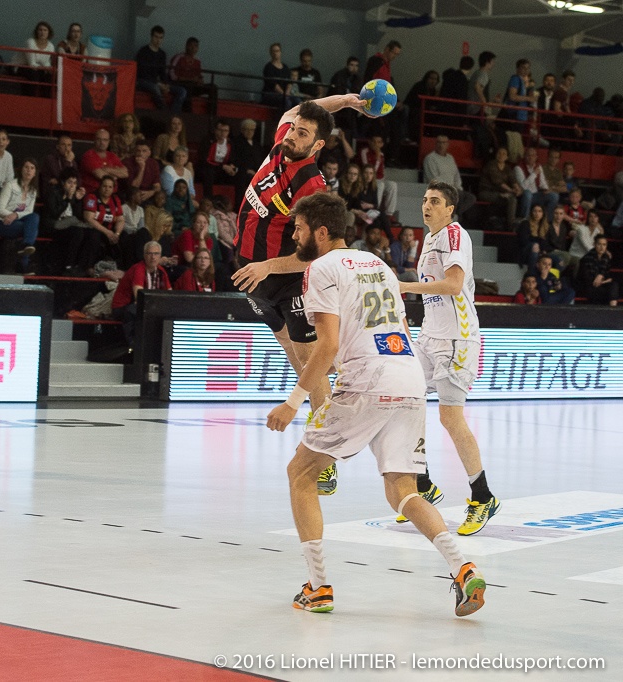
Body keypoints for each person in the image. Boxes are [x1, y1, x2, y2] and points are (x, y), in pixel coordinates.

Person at [268, 190, 485, 618]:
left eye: (299, 228)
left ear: (322, 231)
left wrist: (294, 402)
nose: (294, 235)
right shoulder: (379, 265)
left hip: (366, 379)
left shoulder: (320, 269)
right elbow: (402, 326)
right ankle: (463, 568)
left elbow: (326, 347)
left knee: (300, 473)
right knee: (402, 490)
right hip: (407, 375)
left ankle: (318, 587)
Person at [231, 95, 370, 498]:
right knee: (298, 364)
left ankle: (324, 456)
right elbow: (296, 110)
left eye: (304, 133)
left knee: (312, 365)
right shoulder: (281, 145)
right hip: (252, 277)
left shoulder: (312, 184)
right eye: (294, 129)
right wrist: (344, 101)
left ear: (318, 146)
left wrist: (268, 267)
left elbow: (315, 252)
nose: (294, 135)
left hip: (289, 279)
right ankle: (325, 424)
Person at [398, 182, 499, 535]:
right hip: (430, 336)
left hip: (457, 339)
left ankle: (483, 496)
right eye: (425, 200)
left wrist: (406, 287)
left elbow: (454, 286)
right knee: (404, 402)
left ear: (450, 208)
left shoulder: (455, 236)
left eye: (435, 201)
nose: (426, 205)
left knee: (450, 418)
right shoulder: (429, 238)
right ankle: (422, 486)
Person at [111, 240, 171, 344]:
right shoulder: (138, 269)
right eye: (149, 253)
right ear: (144, 255)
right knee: (135, 310)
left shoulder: (161, 271)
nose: (153, 257)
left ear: (160, 256)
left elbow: (170, 294)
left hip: (146, 305)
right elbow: (139, 297)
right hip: (123, 307)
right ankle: (133, 344)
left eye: (156, 254)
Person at [0, 159, 41, 273]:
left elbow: (29, 212)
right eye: (26, 167)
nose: (29, 171)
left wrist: (16, 215)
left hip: (16, 221)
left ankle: (25, 248)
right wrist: (12, 215)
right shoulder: (10, 185)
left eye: (32, 168)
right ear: (21, 169)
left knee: (34, 217)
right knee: (31, 230)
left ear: (35, 173)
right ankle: (23, 265)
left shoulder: (33, 190)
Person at [45, 168, 98, 275]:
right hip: (55, 225)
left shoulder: (73, 195)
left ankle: (83, 266)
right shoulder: (53, 192)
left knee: (92, 232)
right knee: (78, 230)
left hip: (70, 225)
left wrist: (78, 200)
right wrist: (68, 199)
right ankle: (68, 265)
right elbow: (55, 214)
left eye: (74, 183)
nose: (72, 186)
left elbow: (77, 215)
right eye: (69, 182)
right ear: (63, 182)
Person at [422, 135, 476, 220]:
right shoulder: (430, 158)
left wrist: (458, 187)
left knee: (471, 198)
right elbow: (432, 178)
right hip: (438, 189)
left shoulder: (450, 158)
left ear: (447, 144)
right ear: (435, 144)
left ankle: (455, 213)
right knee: (458, 197)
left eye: (444, 143)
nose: (441, 145)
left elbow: (456, 175)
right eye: (439, 142)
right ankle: (455, 216)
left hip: (453, 189)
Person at [134, 25, 186, 114]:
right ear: (151, 36)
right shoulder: (143, 51)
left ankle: (174, 113)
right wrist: (158, 84)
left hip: (156, 82)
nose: (158, 40)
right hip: (143, 81)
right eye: (156, 37)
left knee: (182, 91)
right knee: (155, 88)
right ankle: (165, 112)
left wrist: (166, 84)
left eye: (161, 38)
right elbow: (142, 72)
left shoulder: (162, 54)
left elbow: (162, 72)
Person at [169, 37, 216, 115]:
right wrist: (189, 79)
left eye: (196, 46)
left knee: (213, 87)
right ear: (186, 46)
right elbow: (172, 74)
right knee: (188, 86)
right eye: (191, 46)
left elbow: (200, 76)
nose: (193, 48)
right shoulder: (179, 57)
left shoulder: (197, 61)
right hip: (181, 85)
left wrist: (200, 81)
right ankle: (188, 114)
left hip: (193, 86)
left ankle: (212, 115)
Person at [478, 147, 522, 228]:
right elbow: (498, 182)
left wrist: (517, 189)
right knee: (511, 198)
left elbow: (513, 180)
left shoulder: (507, 168)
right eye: (499, 153)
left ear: (507, 157)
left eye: (504, 154)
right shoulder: (491, 165)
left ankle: (518, 220)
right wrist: (511, 190)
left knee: (516, 197)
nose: (501, 155)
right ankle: (511, 224)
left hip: (501, 192)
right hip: (486, 192)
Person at [83, 176, 125, 257]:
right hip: (94, 229)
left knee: (125, 236)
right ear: (100, 186)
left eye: (110, 187)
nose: (107, 189)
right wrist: (107, 232)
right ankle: (89, 266)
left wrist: (117, 234)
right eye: (104, 186)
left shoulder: (116, 199)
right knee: (94, 236)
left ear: (113, 189)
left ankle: (124, 266)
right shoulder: (92, 197)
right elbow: (88, 218)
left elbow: (121, 220)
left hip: (110, 230)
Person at [197, 119, 238, 198]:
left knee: (240, 174)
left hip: (222, 170)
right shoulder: (207, 141)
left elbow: (232, 159)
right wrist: (223, 166)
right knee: (208, 172)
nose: (223, 133)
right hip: (208, 168)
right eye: (220, 130)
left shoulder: (230, 143)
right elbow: (204, 160)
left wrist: (232, 166)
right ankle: (208, 200)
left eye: (226, 130)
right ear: (215, 130)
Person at [514, 147, 558, 220]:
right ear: (525, 156)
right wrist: (534, 174)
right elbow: (523, 187)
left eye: (533, 155)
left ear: (536, 157)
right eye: (528, 155)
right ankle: (524, 220)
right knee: (528, 193)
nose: (531, 157)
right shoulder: (518, 168)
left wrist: (546, 189)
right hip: (524, 195)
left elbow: (542, 182)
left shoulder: (538, 166)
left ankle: (548, 221)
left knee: (554, 196)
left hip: (536, 195)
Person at [79, 128, 127, 194]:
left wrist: (108, 170)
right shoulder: (88, 155)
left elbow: (125, 173)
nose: (102, 142)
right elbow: (101, 176)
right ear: (94, 140)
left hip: (112, 195)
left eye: (105, 140)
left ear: (109, 141)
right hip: (93, 194)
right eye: (99, 139)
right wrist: (116, 175)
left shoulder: (112, 155)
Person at [577, 235, 618, 306]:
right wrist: (603, 279)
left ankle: (613, 309)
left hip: (601, 285)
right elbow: (589, 280)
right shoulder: (587, 258)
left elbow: (610, 277)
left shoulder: (606, 258)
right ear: (594, 244)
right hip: (588, 287)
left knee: (614, 285)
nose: (602, 247)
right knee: (610, 291)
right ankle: (613, 311)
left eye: (604, 245)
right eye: (599, 244)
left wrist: (601, 276)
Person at [327, 57, 361, 139]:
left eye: (356, 65)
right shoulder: (339, 76)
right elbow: (337, 92)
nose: (354, 68)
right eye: (352, 65)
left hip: (351, 108)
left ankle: (353, 137)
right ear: (347, 65)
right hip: (338, 104)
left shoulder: (358, 79)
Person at [503, 59, 537, 133]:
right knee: (514, 138)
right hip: (515, 115)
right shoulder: (515, 79)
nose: (526, 70)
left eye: (528, 68)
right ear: (518, 68)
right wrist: (529, 98)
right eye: (523, 68)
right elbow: (512, 96)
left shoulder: (522, 81)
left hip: (520, 115)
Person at [232, 119, 264, 198]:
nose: (250, 132)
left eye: (252, 130)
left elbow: (260, 159)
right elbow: (236, 159)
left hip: (256, 171)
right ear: (242, 130)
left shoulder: (257, 144)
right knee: (242, 178)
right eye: (247, 129)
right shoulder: (237, 142)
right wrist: (247, 170)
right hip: (242, 171)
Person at [404, 70, 439, 142]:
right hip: (413, 108)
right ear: (426, 78)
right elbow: (414, 101)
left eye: (435, 79)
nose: (433, 81)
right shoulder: (419, 86)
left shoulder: (433, 90)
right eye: (431, 78)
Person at [122, 139, 160, 204]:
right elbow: (133, 187)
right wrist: (141, 168)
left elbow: (157, 186)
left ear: (149, 153)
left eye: (144, 151)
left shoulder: (153, 163)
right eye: (138, 151)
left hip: (148, 194)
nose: (140, 154)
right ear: (134, 152)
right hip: (131, 195)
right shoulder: (127, 162)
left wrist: (151, 192)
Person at [262, 43, 298, 111]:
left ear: (280, 52)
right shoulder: (268, 67)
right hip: (271, 94)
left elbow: (289, 82)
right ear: (270, 53)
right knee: (287, 101)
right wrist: (284, 94)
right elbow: (273, 84)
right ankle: (285, 120)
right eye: (273, 51)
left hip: (285, 94)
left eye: (277, 51)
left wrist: (287, 93)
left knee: (298, 100)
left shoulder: (285, 68)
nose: (275, 53)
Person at [23, 21, 55, 95]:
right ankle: (31, 99)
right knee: (34, 74)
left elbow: (46, 63)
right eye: (40, 30)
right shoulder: (30, 42)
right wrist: (45, 68)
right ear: (36, 32)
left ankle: (45, 100)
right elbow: (31, 63)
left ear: (49, 33)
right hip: (21, 66)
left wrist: (49, 69)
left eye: (45, 30)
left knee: (49, 76)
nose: (42, 32)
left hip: (37, 69)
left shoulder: (51, 46)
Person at [516, 204, 549, 270]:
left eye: (540, 211)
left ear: (543, 214)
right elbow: (523, 241)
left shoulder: (545, 226)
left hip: (540, 251)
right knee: (535, 245)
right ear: (531, 212)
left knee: (557, 259)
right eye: (535, 211)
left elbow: (545, 243)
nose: (537, 214)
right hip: (524, 251)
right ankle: (531, 273)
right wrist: (538, 241)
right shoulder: (525, 224)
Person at [468, 51, 496, 117]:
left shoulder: (476, 72)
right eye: (492, 61)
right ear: (487, 62)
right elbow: (477, 87)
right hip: (476, 108)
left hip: (470, 106)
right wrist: (484, 102)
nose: (493, 64)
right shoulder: (483, 74)